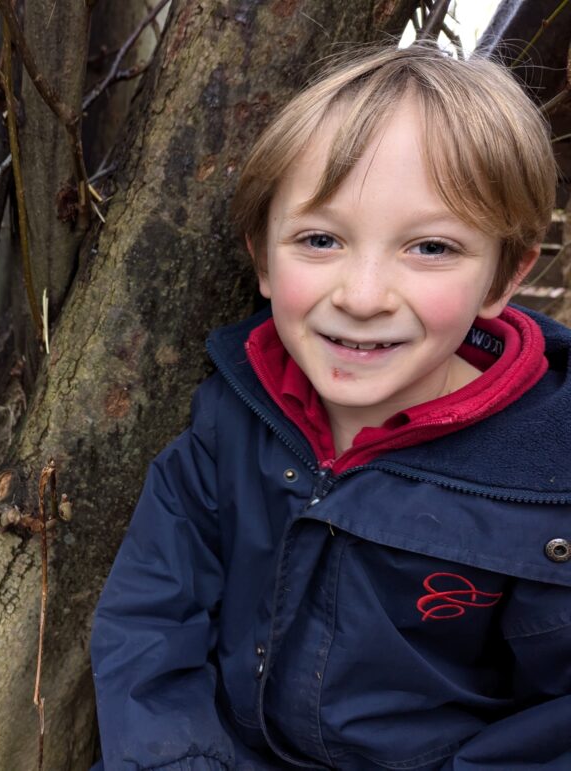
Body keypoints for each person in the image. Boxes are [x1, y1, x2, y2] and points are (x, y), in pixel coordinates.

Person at [90, 44, 571, 770]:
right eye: (321, 239)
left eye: (431, 247)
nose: (363, 295)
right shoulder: (232, 417)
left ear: (504, 275)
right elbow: (149, 617)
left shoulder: (548, 480)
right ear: (261, 258)